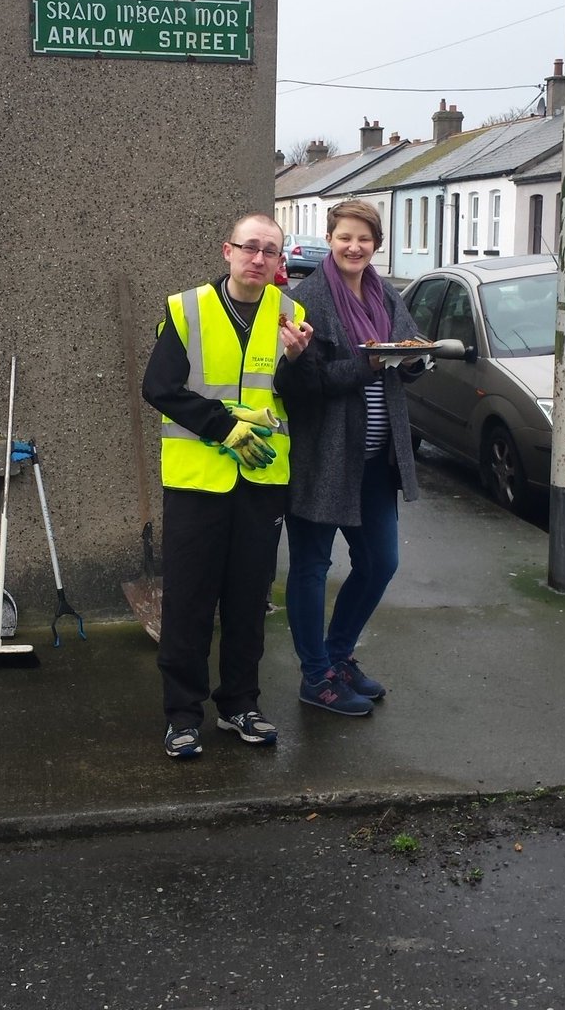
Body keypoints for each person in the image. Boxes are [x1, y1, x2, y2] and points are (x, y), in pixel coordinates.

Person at [142, 212, 312, 759]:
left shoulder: (292, 315)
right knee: (189, 603)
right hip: (198, 482)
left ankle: (240, 705)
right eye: (250, 248)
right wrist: (225, 427)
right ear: (227, 251)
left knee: (247, 601)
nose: (258, 259)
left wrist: (296, 363)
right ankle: (183, 715)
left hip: (262, 481)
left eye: (270, 251)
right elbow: (159, 387)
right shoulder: (187, 308)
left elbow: (297, 399)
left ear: (279, 261)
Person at [275, 199, 428, 716]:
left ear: (376, 244)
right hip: (322, 458)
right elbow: (303, 385)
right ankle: (315, 676)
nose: (353, 246)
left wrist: (413, 361)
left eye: (364, 238)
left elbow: (405, 360)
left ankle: (339, 657)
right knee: (312, 567)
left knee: (380, 562)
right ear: (330, 239)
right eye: (344, 237)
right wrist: (372, 362)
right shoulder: (308, 299)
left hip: (376, 460)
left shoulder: (386, 293)